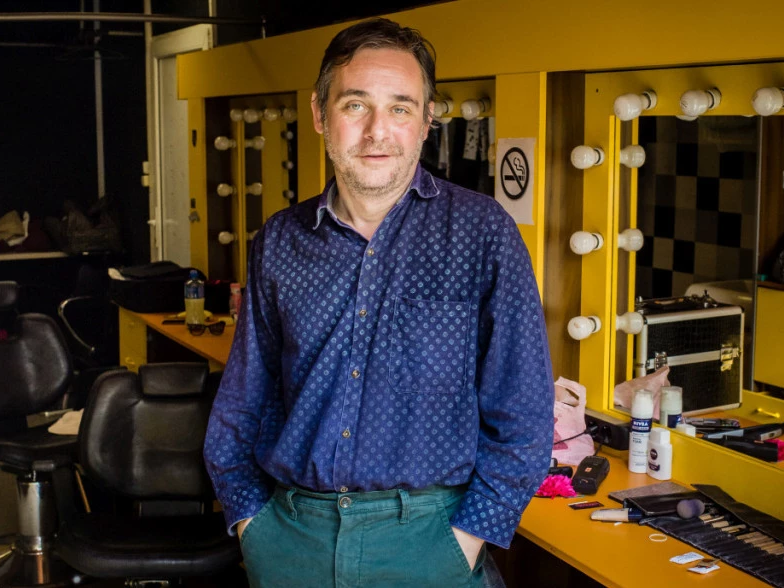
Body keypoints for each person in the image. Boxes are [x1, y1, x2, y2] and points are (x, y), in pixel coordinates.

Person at [204, 17, 553, 587]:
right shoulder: (279, 240)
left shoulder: (483, 233)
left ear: (426, 120)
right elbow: (243, 398)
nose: (377, 131)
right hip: (290, 541)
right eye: (355, 105)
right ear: (320, 114)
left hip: (430, 542)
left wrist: (467, 540)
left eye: (400, 108)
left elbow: (524, 411)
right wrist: (251, 524)